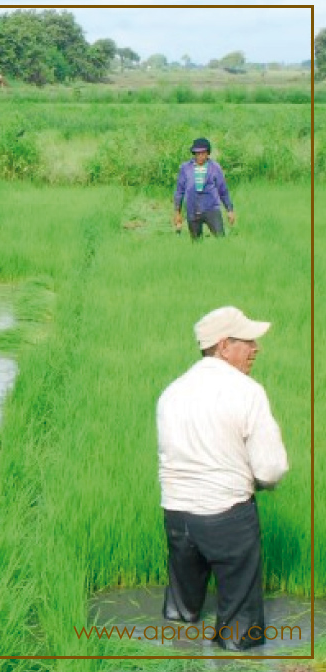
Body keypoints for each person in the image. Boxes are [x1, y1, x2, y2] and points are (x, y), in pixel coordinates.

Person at [155, 306, 289, 651]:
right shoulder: (247, 392)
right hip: (227, 516)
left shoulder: (171, 392)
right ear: (224, 345)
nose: (256, 348)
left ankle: (174, 650)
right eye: (249, 341)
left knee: (181, 613)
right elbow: (270, 469)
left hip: (176, 516)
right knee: (239, 635)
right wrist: (262, 482)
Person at [173, 137, 236, 240]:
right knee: (196, 242)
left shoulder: (215, 168)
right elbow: (179, 191)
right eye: (198, 154)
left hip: (211, 208)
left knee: (221, 239)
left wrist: (229, 210)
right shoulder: (185, 168)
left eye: (203, 153)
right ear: (194, 154)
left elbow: (223, 191)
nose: (201, 156)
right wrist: (177, 212)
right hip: (192, 209)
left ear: (208, 153)